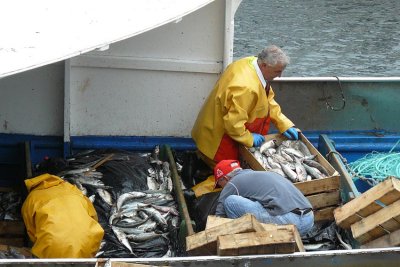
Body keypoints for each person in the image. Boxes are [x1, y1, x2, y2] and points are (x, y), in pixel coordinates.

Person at [191, 45, 299, 166]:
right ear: (264, 65)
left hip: (213, 129)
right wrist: (248, 138)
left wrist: (284, 123)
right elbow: (233, 123)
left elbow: (268, 100)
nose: (280, 76)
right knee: (223, 176)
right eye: (277, 71)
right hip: (218, 142)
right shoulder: (245, 88)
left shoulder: (251, 62)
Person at [213, 160, 314, 236]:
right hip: (309, 220)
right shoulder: (263, 174)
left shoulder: (232, 183)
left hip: (291, 223)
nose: (222, 188)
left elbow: (219, 218)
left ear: (225, 178)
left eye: (220, 184)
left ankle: (244, 244)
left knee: (230, 202)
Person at [21, 173, 104, 258]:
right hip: (88, 245)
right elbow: (93, 216)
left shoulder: (32, 198)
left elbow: (31, 231)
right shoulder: (73, 189)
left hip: (53, 250)